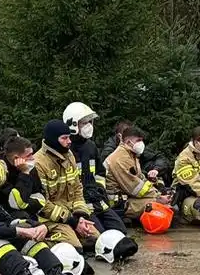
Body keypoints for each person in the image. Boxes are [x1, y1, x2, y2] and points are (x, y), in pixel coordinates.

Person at [62, 103, 131, 238]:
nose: (89, 126)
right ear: (73, 124)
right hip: (79, 204)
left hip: (97, 200)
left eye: (90, 122)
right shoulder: (66, 150)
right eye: (84, 123)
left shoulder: (91, 146)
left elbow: (100, 172)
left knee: (121, 231)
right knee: (98, 236)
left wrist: (99, 189)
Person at [34, 121, 102, 253]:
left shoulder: (69, 155)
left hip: (71, 215)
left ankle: (75, 235)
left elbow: (77, 189)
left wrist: (81, 217)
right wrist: (72, 221)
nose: (69, 141)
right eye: (64, 138)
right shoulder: (39, 163)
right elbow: (42, 204)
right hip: (49, 219)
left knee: (96, 240)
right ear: (53, 140)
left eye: (69, 137)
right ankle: (38, 243)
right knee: (74, 249)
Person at [104, 127, 167, 223]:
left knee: (162, 204)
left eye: (142, 140)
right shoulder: (121, 158)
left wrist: (159, 193)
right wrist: (158, 198)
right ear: (128, 142)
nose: (141, 143)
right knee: (160, 206)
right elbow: (136, 188)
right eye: (138, 140)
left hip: (127, 197)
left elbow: (141, 179)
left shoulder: (131, 154)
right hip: (117, 204)